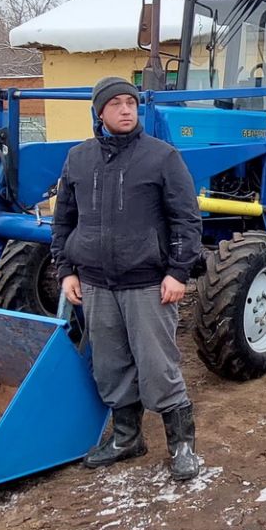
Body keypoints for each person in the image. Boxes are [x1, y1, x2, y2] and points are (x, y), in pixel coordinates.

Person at [50, 77, 205, 480]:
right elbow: (64, 219)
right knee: (110, 364)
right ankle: (126, 437)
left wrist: (177, 271)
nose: (125, 110)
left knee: (157, 365)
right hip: (97, 283)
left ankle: (182, 444)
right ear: (99, 112)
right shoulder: (79, 159)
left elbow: (186, 220)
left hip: (147, 283)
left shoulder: (161, 157)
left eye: (130, 103)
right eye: (116, 103)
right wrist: (65, 269)